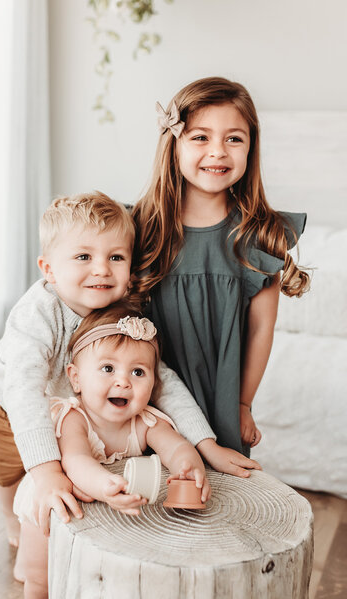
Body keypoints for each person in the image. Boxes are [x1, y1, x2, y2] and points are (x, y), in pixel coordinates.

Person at [0, 192, 255, 552]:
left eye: (116, 257)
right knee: (10, 469)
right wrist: (45, 471)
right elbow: (24, 391)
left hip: (72, 403)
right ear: (48, 269)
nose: (101, 269)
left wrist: (206, 444)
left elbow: (163, 380)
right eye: (83, 257)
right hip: (9, 402)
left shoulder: (123, 312)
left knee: (70, 464)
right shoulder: (37, 316)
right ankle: (8, 514)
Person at [132, 76, 310, 456]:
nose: (218, 151)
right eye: (200, 137)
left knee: (220, 499)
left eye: (234, 139)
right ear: (173, 144)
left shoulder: (260, 237)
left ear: (250, 149)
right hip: (145, 397)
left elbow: (262, 328)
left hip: (222, 398)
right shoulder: (140, 228)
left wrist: (243, 404)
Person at [13, 300, 212, 598]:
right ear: (76, 378)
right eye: (108, 368)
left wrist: (189, 466)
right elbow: (76, 461)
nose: (123, 381)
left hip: (104, 507)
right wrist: (104, 484)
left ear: (154, 381)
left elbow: (176, 446)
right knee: (40, 576)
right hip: (59, 497)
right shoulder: (73, 418)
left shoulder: (145, 421)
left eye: (138, 372)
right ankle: (28, 573)